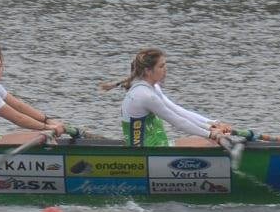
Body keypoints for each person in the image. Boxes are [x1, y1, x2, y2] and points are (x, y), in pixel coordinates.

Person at [99, 49, 232, 147]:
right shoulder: (144, 95)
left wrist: (212, 124)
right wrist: (211, 134)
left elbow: (176, 110)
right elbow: (177, 121)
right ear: (147, 71)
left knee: (214, 139)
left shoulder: (152, 88)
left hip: (158, 146)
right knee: (212, 143)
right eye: (161, 66)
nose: (165, 70)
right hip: (147, 152)